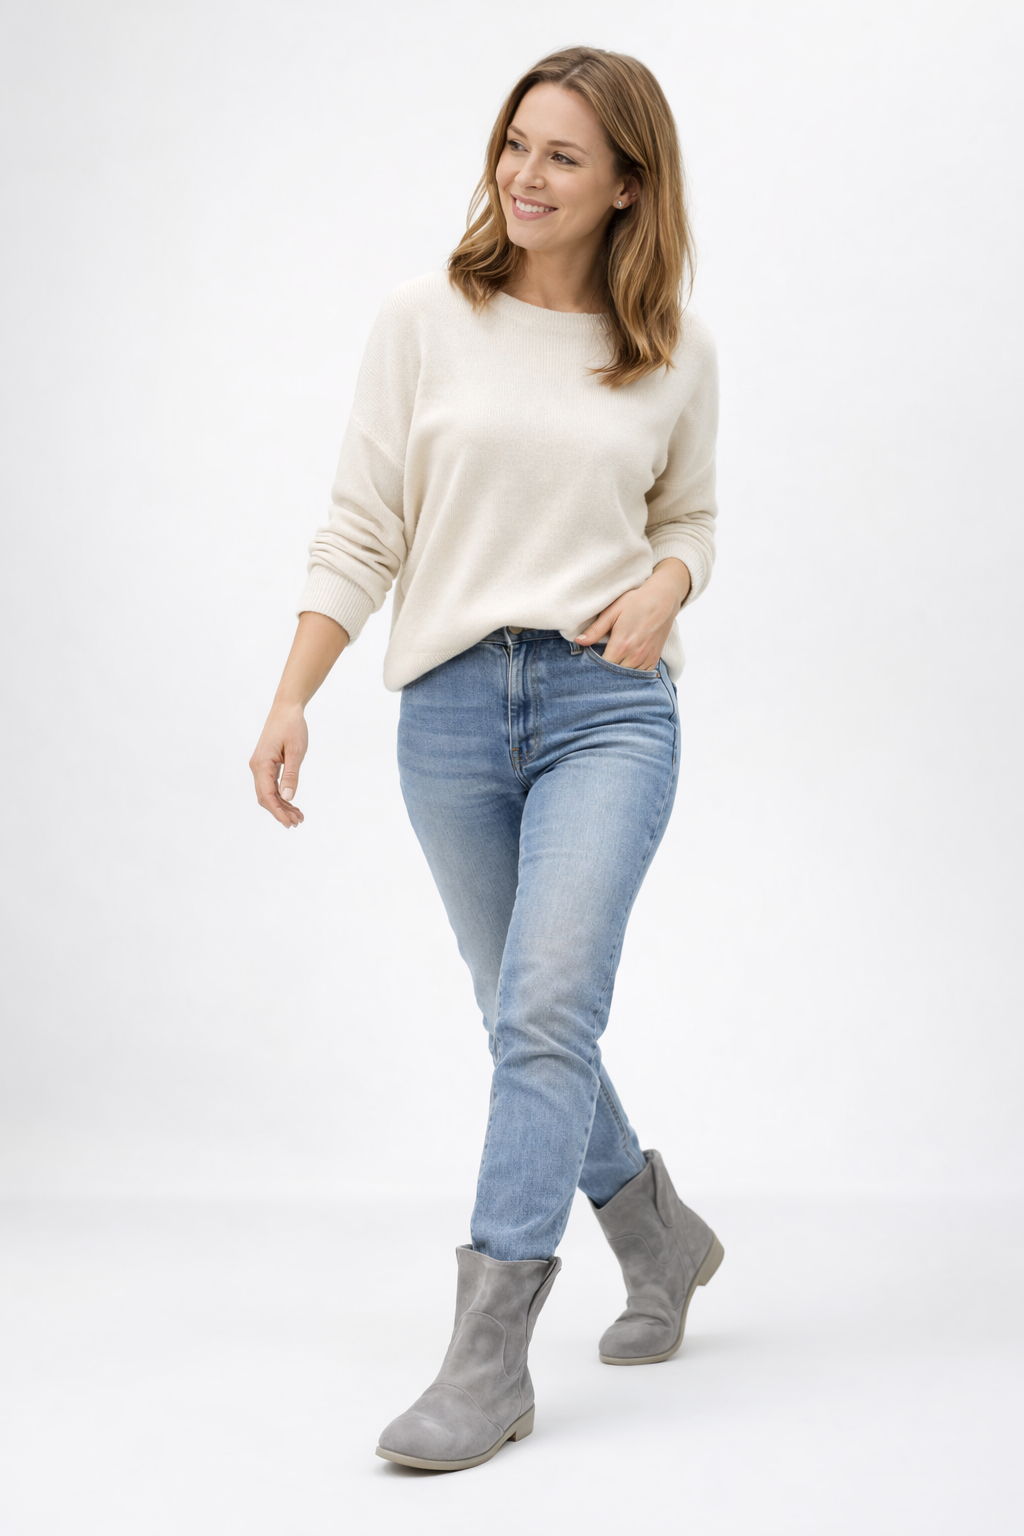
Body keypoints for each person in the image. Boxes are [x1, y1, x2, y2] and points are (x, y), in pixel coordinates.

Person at [249, 45, 723, 1473]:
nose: (525, 174)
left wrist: (669, 585)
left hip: (607, 709)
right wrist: (293, 696)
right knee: (521, 1010)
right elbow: (363, 524)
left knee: (544, 1008)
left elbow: (689, 519)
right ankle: (657, 1232)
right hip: (449, 713)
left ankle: (487, 1360)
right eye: (516, 143)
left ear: (628, 184)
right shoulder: (423, 319)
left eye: (563, 155)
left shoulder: (673, 349)